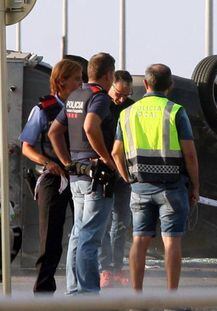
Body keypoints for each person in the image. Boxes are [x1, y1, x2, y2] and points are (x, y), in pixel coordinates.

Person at [112, 63, 199, 292]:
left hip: (139, 187)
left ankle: (137, 299)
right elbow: (189, 153)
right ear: (170, 85)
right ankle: (171, 299)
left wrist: (128, 179)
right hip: (172, 188)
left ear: (147, 84)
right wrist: (196, 186)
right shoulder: (176, 112)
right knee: (172, 242)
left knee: (139, 241)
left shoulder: (127, 113)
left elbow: (115, 152)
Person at [48, 52, 116, 294]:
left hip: (77, 174)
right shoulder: (99, 98)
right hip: (96, 177)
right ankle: (88, 293)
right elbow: (90, 126)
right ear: (109, 75)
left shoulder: (75, 96)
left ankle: (75, 289)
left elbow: (54, 132)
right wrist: (107, 159)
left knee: (78, 233)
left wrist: (67, 161)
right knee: (90, 236)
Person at [19, 59, 83, 294]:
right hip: (52, 178)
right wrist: (48, 162)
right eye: (76, 79)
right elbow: (27, 146)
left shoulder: (81, 107)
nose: (81, 83)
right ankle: (43, 293)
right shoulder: (42, 109)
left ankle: (80, 288)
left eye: (82, 78)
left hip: (79, 177)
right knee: (51, 240)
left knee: (83, 233)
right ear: (61, 81)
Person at [99, 70, 135, 288]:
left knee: (122, 221)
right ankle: (105, 268)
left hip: (124, 171)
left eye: (125, 95)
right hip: (104, 169)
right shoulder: (100, 104)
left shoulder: (131, 107)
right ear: (110, 85)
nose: (121, 99)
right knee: (103, 222)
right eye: (118, 94)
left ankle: (118, 266)